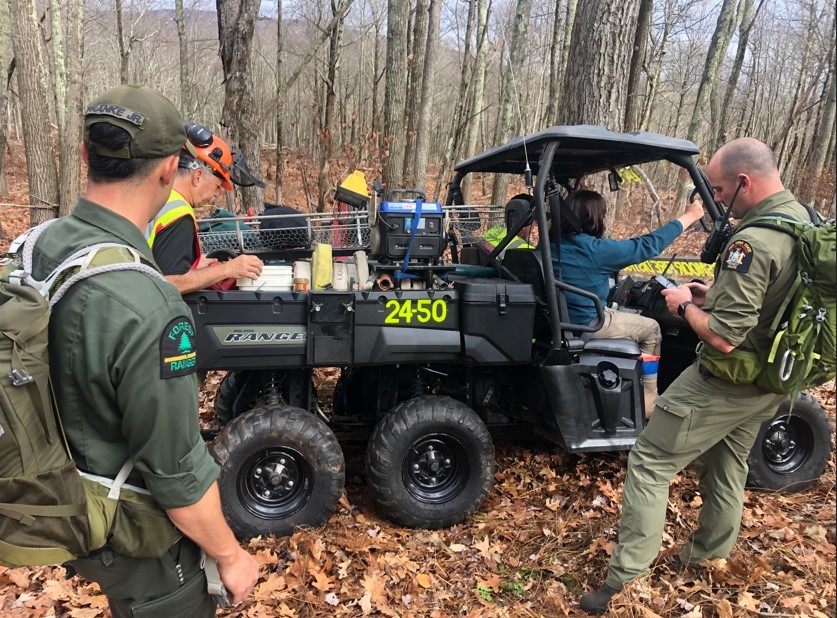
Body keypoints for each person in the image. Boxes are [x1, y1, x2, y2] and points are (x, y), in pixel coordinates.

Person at [31, 85, 259, 616]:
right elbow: (177, 475)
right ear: (168, 171)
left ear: (87, 156)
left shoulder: (37, 246)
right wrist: (230, 555)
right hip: (124, 521)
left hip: (49, 489)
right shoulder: (149, 308)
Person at [580, 138, 808, 613]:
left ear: (745, 181)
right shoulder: (802, 224)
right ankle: (708, 558)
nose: (719, 201)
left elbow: (723, 338)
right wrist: (711, 292)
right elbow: (770, 302)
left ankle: (625, 581)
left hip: (726, 377)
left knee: (650, 460)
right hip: (771, 378)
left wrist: (683, 305)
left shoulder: (752, 241)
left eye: (721, 191)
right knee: (727, 465)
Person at [555, 190, 703, 412]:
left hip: (562, 322)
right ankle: (648, 403)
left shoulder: (552, 246)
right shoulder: (594, 250)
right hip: (588, 323)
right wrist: (689, 217)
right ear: (594, 217)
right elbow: (646, 246)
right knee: (651, 327)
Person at [145, 122, 264, 293]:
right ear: (198, 177)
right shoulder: (179, 214)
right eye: (217, 186)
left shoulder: (156, 196)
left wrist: (193, 264)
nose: (217, 194)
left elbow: (158, 261)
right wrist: (227, 269)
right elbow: (171, 283)